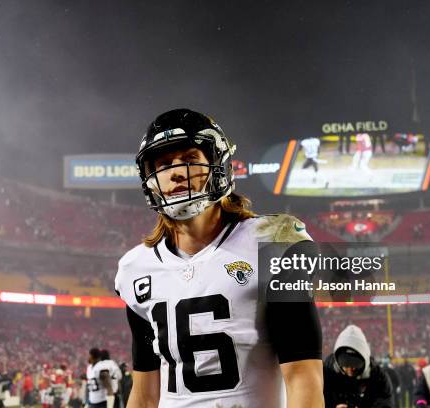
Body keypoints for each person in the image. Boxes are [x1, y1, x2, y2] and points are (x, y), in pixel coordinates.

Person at [115, 109, 323, 407]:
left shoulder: (272, 242)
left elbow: (303, 375)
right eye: (163, 165)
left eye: (189, 159)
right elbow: (146, 394)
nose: (175, 172)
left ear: (218, 165)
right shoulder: (136, 269)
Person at [323, 324, 393, 408]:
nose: (350, 370)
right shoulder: (327, 372)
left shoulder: (377, 376)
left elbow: (385, 403)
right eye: (345, 365)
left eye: (355, 365)